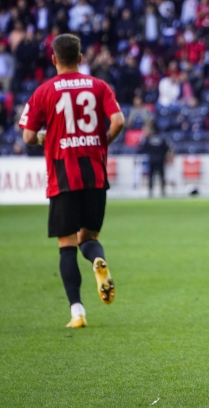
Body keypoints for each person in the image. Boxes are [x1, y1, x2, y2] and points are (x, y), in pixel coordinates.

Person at [19, 33, 125, 328]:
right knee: (88, 238)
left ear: (54, 59)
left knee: (66, 244)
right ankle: (96, 263)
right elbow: (119, 121)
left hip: (63, 177)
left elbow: (27, 136)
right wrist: (101, 143)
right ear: (81, 58)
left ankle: (77, 312)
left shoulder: (43, 92)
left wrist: (43, 137)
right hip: (95, 175)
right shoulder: (99, 86)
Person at [139, 123, 169, 197]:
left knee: (151, 176)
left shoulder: (149, 138)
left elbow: (143, 148)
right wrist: (163, 155)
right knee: (162, 176)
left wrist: (150, 154)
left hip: (152, 159)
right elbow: (166, 148)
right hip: (160, 159)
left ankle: (150, 191)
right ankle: (163, 191)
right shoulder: (162, 138)